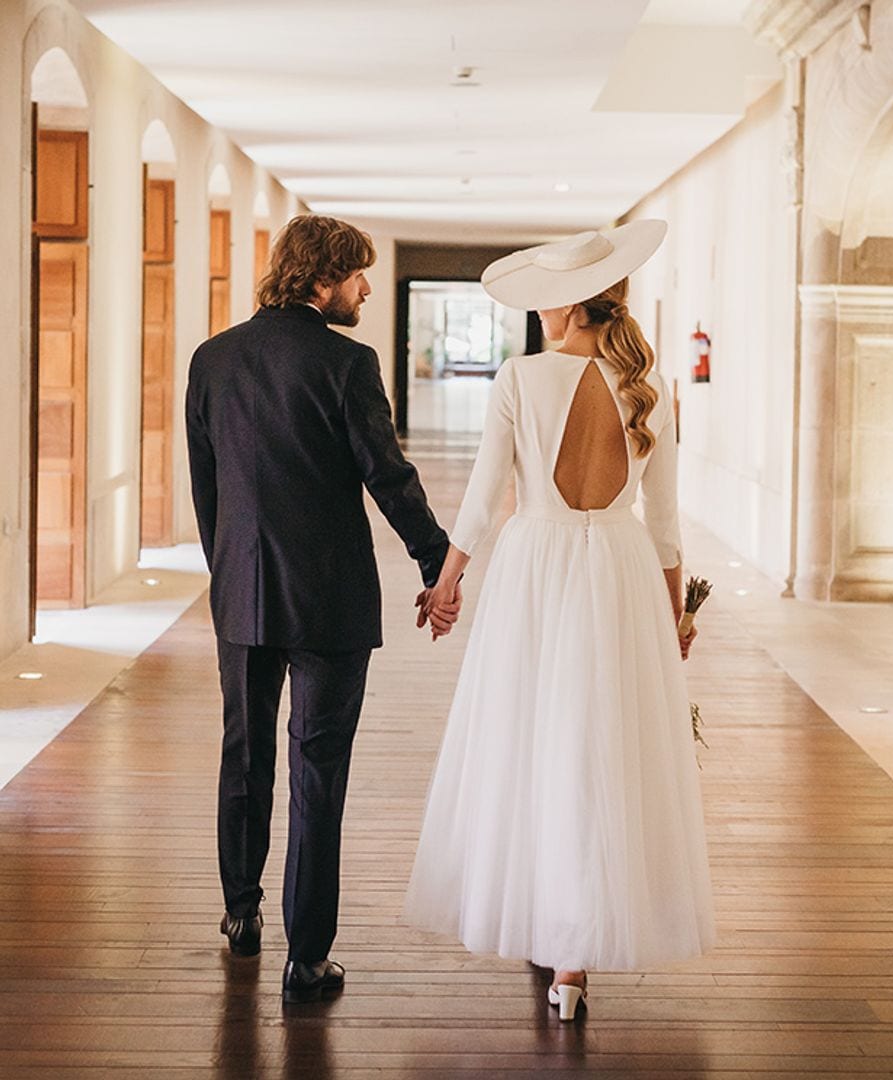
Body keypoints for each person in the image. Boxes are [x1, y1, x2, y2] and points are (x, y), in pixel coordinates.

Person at [405, 220, 715, 1021]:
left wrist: (446, 587)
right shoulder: (649, 390)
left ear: (576, 305)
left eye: (549, 302)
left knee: (533, 741)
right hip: (618, 571)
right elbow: (667, 523)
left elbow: (479, 505)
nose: (540, 313)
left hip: (535, 568)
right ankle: (572, 965)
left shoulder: (519, 378)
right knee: (598, 747)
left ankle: (549, 920)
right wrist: (676, 612)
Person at [185, 214, 459, 1004]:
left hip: (244, 588)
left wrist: (231, 570)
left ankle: (241, 916)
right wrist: (435, 559)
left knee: (244, 754)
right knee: (318, 770)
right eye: (357, 275)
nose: (367, 288)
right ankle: (307, 958)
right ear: (320, 277)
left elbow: (208, 490)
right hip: (330, 598)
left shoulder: (214, 359)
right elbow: (387, 474)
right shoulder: (348, 362)